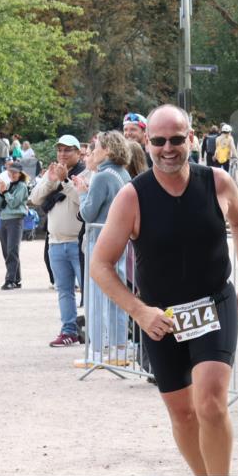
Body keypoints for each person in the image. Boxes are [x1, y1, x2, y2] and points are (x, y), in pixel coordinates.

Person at [90, 104, 238, 476]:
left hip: (213, 305)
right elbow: (101, 265)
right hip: (160, 318)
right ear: (147, 143)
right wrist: (139, 311)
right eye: (159, 141)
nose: (168, 149)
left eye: (176, 139)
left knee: (211, 403)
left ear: (191, 138)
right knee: (182, 416)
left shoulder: (217, 182)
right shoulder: (133, 195)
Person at [30, 134, 91, 347]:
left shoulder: (86, 173)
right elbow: (36, 198)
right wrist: (51, 179)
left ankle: (92, 330)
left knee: (88, 290)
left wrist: (65, 181)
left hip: (78, 241)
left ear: (78, 152)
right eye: (60, 150)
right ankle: (68, 330)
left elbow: (82, 201)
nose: (63, 154)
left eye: (68, 150)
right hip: (55, 241)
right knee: (63, 290)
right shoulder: (52, 172)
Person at [80, 131, 132, 363]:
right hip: (120, 240)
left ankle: (97, 352)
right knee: (117, 295)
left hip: (99, 240)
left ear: (108, 150)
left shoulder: (101, 177)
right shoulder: (123, 174)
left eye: (97, 146)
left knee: (95, 297)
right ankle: (119, 350)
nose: (93, 151)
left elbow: (88, 213)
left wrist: (82, 193)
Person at [0, 163, 29, 290]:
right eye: (11, 172)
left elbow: (14, 203)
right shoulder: (8, 185)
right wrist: (1, 193)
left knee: (12, 250)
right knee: (7, 251)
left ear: (20, 173)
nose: (13, 175)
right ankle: (16, 278)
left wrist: (5, 192)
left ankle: (10, 280)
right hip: (4, 219)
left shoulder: (22, 186)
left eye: (15, 172)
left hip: (15, 219)